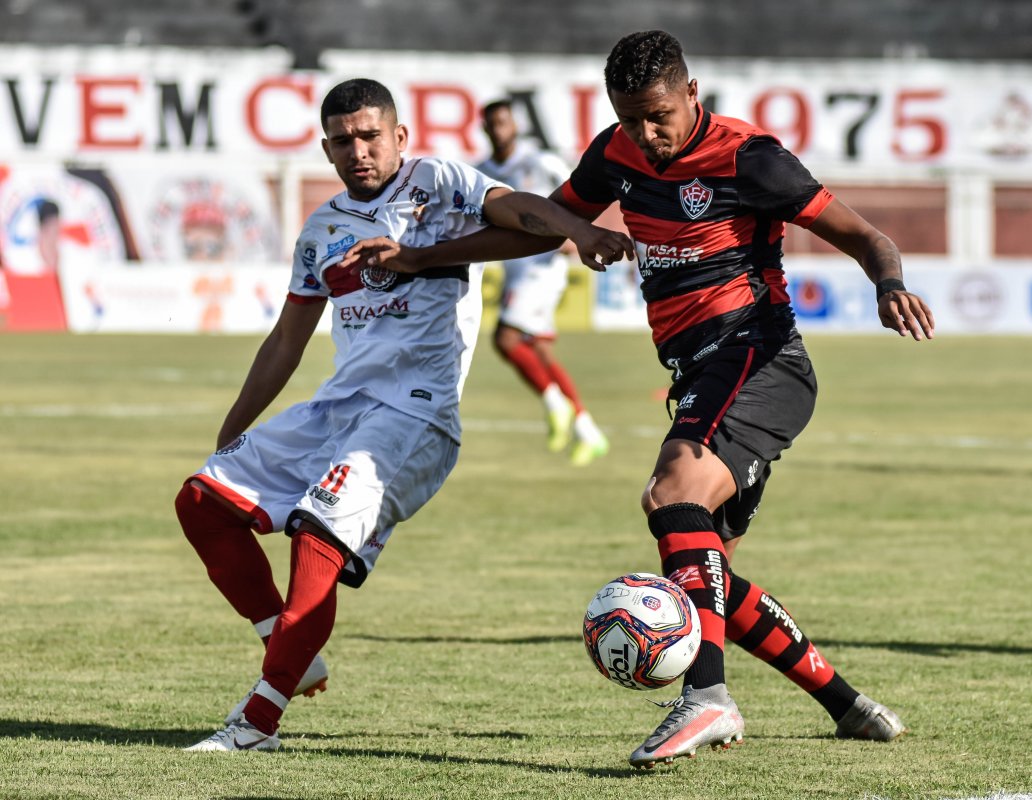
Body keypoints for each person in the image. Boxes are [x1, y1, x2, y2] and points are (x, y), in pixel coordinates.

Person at [345, 30, 935, 770]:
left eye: (659, 116)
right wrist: (423, 258)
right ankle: (846, 705)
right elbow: (539, 228)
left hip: (759, 357)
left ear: (693, 94)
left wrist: (890, 284)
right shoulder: (616, 154)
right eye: (630, 119)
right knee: (705, 572)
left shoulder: (750, 157)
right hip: (697, 374)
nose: (646, 135)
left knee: (670, 495)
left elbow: (865, 234)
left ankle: (707, 700)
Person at [177, 77, 632, 752]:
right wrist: (234, 427)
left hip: (417, 413)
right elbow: (286, 341)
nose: (357, 150)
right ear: (327, 149)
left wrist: (576, 230)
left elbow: (518, 208)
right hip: (340, 406)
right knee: (200, 501)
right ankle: (288, 645)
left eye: (369, 136)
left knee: (317, 535)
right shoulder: (322, 230)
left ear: (398, 137)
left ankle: (258, 722)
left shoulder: (438, 182)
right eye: (342, 141)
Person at [476, 99, 609, 466]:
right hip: (516, 269)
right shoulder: (482, 172)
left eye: (504, 122)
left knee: (505, 338)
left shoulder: (541, 162)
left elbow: (578, 198)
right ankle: (587, 429)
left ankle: (555, 405)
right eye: (492, 124)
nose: (499, 129)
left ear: (515, 125)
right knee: (539, 352)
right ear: (485, 129)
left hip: (545, 268)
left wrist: (574, 234)